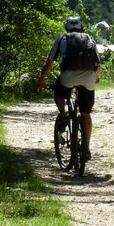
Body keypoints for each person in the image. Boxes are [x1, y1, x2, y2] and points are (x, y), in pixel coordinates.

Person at [38, 15, 101, 160]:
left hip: (68, 78)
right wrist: (95, 79)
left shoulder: (62, 38)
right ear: (81, 28)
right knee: (86, 114)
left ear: (66, 27)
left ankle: (64, 115)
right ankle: (86, 147)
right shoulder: (89, 38)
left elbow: (49, 62)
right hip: (89, 78)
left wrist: (41, 80)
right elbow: (98, 64)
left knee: (59, 92)